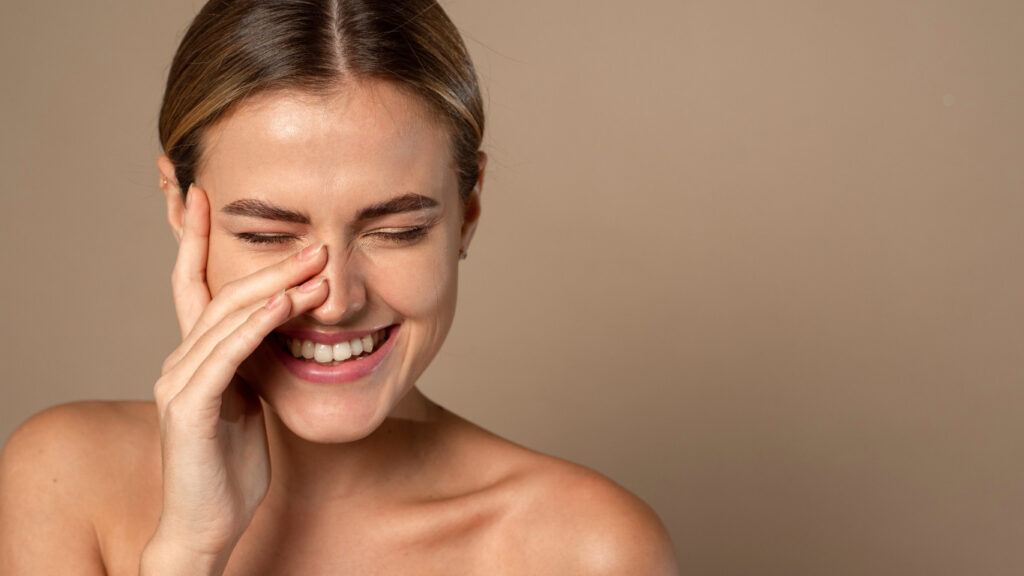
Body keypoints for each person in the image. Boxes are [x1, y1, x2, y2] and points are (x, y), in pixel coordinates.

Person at [0, 1, 678, 573]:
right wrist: (188, 552)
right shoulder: (65, 481)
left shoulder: (585, 549)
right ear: (182, 210)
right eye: (268, 235)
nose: (336, 298)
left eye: (396, 229)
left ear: (466, 215)